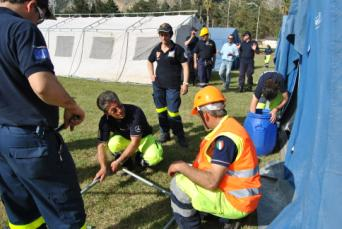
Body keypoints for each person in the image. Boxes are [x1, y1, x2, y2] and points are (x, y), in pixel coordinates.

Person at [0, 1, 87, 228]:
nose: (38, 21)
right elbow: (42, 85)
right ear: (31, 6)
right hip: (28, 139)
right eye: (40, 15)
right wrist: (71, 105)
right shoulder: (22, 29)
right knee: (64, 213)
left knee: (22, 213)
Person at [168, 86, 261, 228]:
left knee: (178, 184)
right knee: (190, 171)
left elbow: (211, 182)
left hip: (237, 201)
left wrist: (181, 166)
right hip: (243, 194)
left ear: (205, 115)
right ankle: (215, 215)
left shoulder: (225, 139)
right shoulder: (230, 126)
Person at [94, 91, 163, 180]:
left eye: (120, 105)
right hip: (127, 139)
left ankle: (139, 160)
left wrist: (118, 161)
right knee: (113, 143)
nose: (120, 111)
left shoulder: (135, 112)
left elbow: (135, 142)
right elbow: (100, 145)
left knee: (155, 157)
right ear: (106, 113)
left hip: (144, 138)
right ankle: (128, 164)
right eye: (114, 110)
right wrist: (103, 167)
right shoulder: (104, 121)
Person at [147, 23, 189, 148]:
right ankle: (165, 133)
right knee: (161, 111)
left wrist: (185, 83)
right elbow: (149, 61)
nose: (163, 37)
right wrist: (151, 74)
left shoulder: (178, 49)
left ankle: (179, 135)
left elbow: (185, 66)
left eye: (165, 34)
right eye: (161, 34)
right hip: (158, 86)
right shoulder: (157, 49)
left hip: (173, 87)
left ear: (170, 35)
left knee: (173, 112)